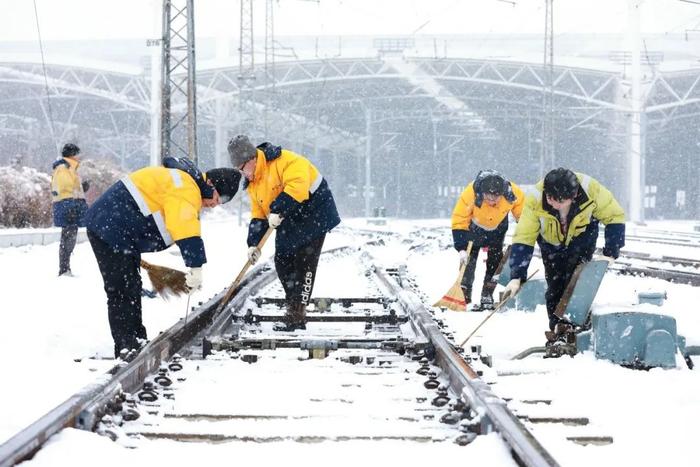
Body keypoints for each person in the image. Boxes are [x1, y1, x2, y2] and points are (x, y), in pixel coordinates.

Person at [84, 157, 240, 357]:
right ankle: (126, 346)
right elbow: (182, 224)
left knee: (130, 286)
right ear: (210, 184)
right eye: (220, 198)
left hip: (118, 231)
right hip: (110, 228)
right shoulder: (186, 187)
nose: (215, 204)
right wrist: (195, 265)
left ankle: (135, 340)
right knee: (122, 290)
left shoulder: (185, 184)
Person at [228, 135, 341, 331]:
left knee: (304, 262)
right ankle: (292, 302)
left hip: (314, 212)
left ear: (252, 159)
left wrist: (278, 209)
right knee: (282, 261)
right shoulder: (253, 183)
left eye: (242, 168)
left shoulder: (287, 161)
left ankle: (296, 314)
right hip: (288, 216)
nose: (242, 174)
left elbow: (297, 186)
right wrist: (253, 244)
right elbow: (258, 214)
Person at [504, 168, 625, 332]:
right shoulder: (535, 198)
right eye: (549, 198)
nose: (553, 203)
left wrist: (611, 252)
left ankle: (577, 324)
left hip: (582, 236)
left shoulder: (591, 189)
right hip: (550, 241)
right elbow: (524, 236)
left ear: (574, 195)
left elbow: (614, 216)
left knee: (578, 281)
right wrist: (516, 276)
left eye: (559, 201)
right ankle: (558, 329)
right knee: (556, 285)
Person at [451, 170, 524, 310]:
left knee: (495, 262)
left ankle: (487, 293)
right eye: (487, 197)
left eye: (495, 198)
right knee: (469, 261)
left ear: (502, 194)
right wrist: (461, 248)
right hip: (474, 229)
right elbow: (459, 218)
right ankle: (465, 292)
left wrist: (525, 232)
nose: (491, 201)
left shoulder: (513, 194)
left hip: (497, 229)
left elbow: (524, 215)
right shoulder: (470, 193)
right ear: (481, 192)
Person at [51, 143, 89, 276]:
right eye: (77, 154)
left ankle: (65, 268)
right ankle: (64, 269)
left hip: (71, 205)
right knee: (68, 238)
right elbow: (64, 188)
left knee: (70, 237)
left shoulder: (70, 168)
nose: (79, 157)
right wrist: (70, 207)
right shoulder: (64, 168)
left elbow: (71, 188)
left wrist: (82, 187)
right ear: (72, 155)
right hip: (68, 206)